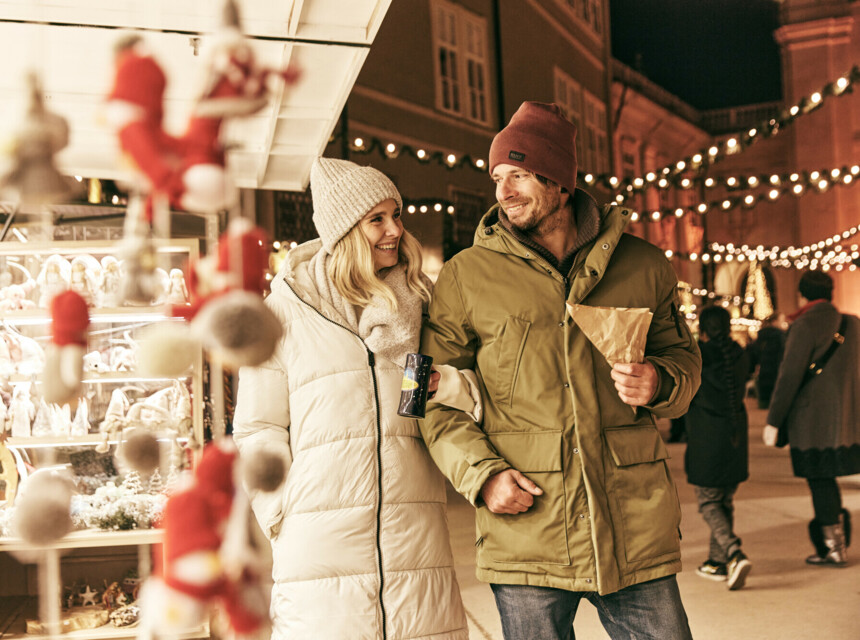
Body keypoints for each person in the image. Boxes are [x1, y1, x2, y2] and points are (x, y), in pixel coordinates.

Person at [419, 101, 702, 640]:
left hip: (631, 524)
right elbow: (426, 393)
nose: (504, 191)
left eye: (519, 175)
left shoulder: (643, 266)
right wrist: (482, 476)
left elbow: (685, 362)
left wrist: (659, 381)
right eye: (498, 177)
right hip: (527, 523)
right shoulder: (464, 275)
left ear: (560, 181)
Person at [232, 158, 472, 639]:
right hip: (317, 539)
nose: (395, 230)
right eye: (376, 219)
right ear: (344, 231)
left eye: (396, 215)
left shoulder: (420, 302)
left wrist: (448, 385)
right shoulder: (285, 311)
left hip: (413, 534)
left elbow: (428, 403)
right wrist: (281, 512)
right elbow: (258, 426)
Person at [763, 270, 860, 567]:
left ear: (803, 295)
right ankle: (835, 544)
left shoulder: (803, 325)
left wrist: (774, 420)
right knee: (827, 480)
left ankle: (833, 548)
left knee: (820, 480)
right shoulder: (853, 323)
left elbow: (789, 377)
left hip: (812, 420)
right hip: (849, 416)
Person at [684, 305, 752, 589]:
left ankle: (734, 553)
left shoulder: (697, 357)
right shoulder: (739, 354)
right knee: (724, 500)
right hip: (736, 434)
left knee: (709, 501)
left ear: (702, 327)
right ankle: (717, 561)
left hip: (707, 437)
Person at [746, 314, 785, 409]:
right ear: (774, 321)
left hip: (763, 371)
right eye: (781, 320)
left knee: (764, 404)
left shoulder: (761, 336)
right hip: (777, 371)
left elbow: (753, 353)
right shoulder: (780, 336)